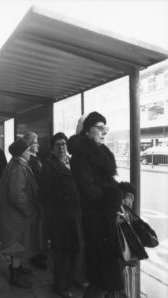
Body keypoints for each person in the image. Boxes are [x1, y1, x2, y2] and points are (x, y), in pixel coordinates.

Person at [67, 112, 135, 298]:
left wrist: (126, 191)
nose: (104, 131)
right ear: (87, 132)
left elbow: (108, 186)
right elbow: (89, 191)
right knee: (103, 279)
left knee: (109, 276)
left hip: (106, 222)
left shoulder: (100, 154)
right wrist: (116, 198)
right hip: (97, 224)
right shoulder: (80, 157)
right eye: (99, 127)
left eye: (106, 128)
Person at [40, 132, 83, 298]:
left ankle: (72, 280)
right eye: (58, 145)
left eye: (64, 144)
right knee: (62, 254)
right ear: (52, 148)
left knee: (74, 250)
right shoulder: (48, 166)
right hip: (59, 218)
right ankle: (61, 286)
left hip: (75, 215)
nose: (61, 147)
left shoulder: (72, 162)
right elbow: (44, 196)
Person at [0, 138, 44, 288]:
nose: (30, 151)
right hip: (17, 215)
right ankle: (14, 275)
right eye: (27, 149)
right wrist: (29, 210)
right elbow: (17, 195)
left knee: (18, 243)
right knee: (17, 244)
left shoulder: (17, 164)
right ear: (21, 152)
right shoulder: (19, 167)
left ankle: (16, 267)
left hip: (14, 214)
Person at [23, 131, 47, 270]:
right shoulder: (30, 160)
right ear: (29, 145)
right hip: (35, 199)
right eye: (35, 141)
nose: (37, 144)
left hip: (38, 198)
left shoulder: (34, 158)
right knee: (35, 228)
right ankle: (35, 255)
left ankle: (38, 252)